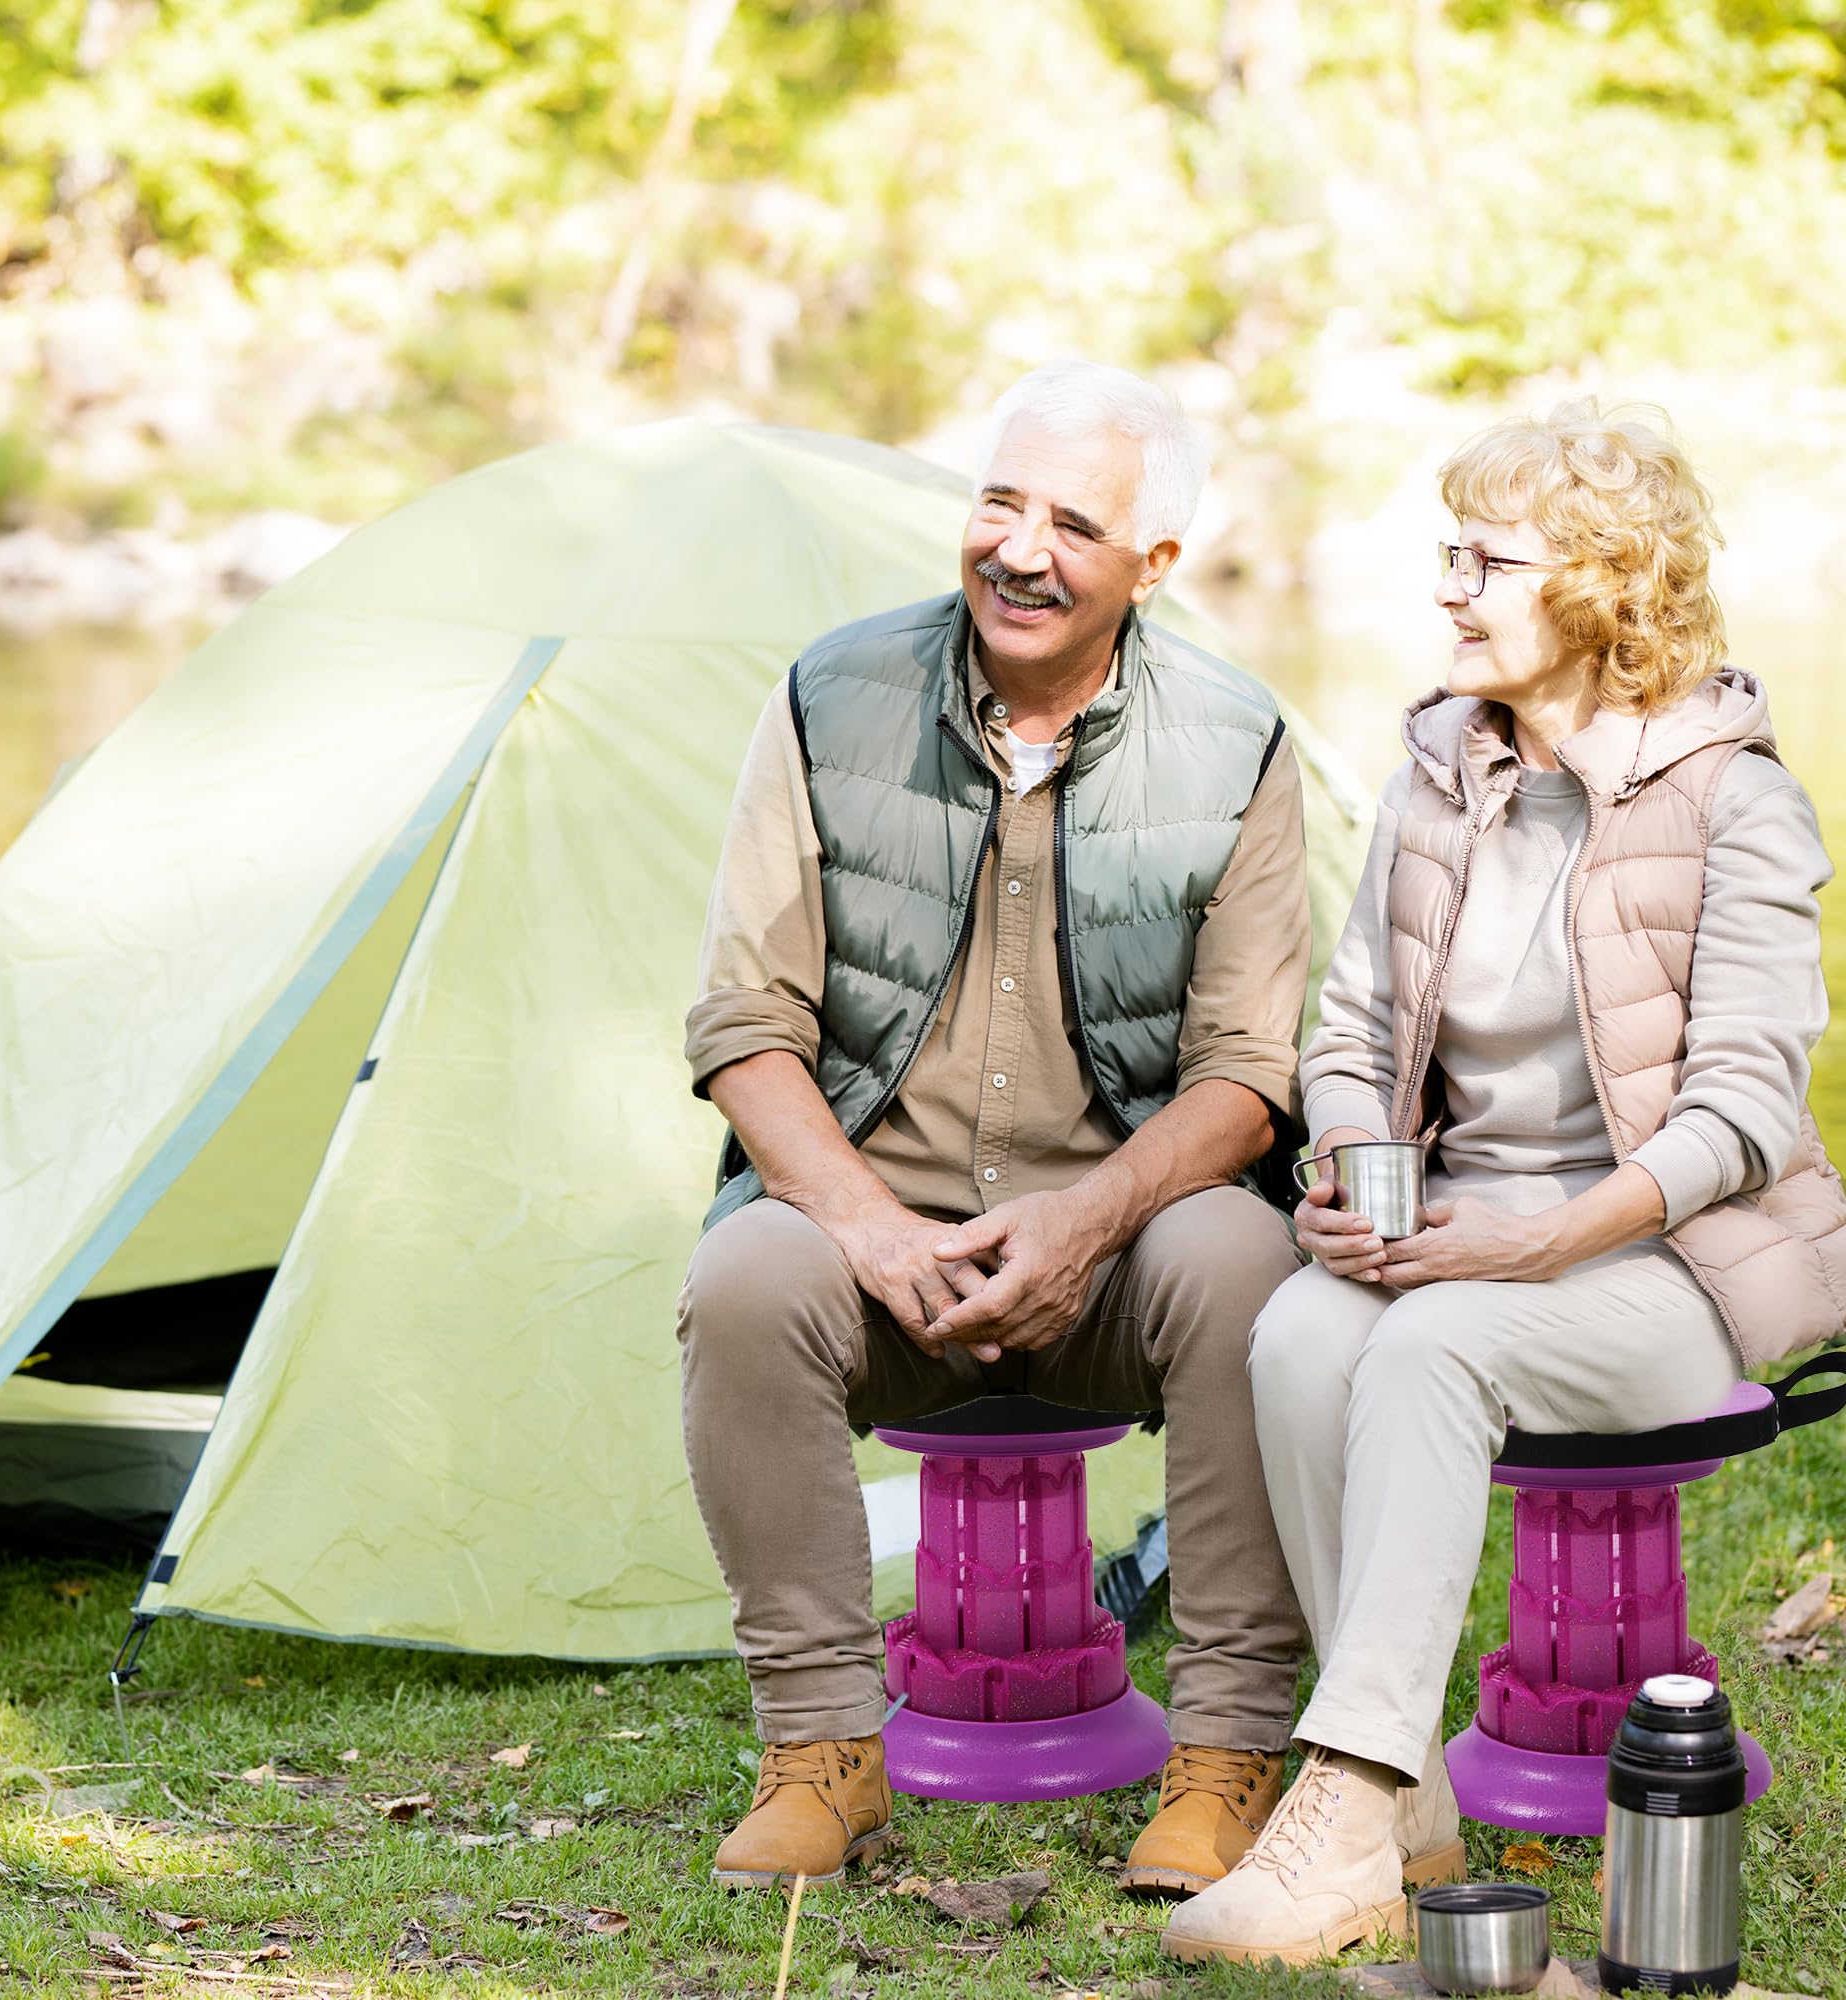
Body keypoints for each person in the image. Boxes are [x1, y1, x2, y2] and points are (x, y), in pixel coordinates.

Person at [1164, 400, 1845, 1967]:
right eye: (1446, 555)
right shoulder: (1437, 776)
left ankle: (1339, 1802)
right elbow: (1345, 1036)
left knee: (1430, 1343)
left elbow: (1744, 1111)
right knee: (1295, 1334)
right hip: (1470, 1232)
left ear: (1602, 585)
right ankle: (1398, 1823)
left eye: (1488, 561)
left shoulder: (1737, 802)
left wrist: (1541, 1241)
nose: (1450, 590)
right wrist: (1345, 1165)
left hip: (1679, 1259)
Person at [679, 358, 1322, 1892]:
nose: (1019, 550)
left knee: (1246, 1267)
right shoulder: (831, 696)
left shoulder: (1236, 741)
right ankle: (827, 1754)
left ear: (1154, 566)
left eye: (1074, 524)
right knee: (745, 1280)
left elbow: (1248, 1076)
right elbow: (743, 1025)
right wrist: (863, 1225)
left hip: (1119, 1256)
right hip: (879, 1243)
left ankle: (1228, 1757)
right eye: (997, 501)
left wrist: (1086, 1221)